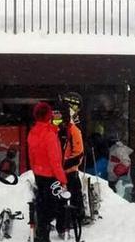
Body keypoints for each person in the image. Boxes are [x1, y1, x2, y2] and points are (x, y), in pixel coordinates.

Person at [28, 102, 67, 242]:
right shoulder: (50, 134)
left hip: (39, 174)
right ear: (48, 116)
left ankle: (41, 233)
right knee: (56, 205)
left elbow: (31, 157)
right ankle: (51, 231)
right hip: (51, 175)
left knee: (42, 205)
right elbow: (55, 160)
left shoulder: (32, 133)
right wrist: (62, 179)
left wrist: (35, 171)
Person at [56, 92, 84, 237]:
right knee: (62, 201)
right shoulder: (57, 130)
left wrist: (63, 166)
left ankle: (72, 225)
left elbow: (78, 153)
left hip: (67, 171)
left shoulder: (73, 130)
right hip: (60, 172)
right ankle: (62, 227)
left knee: (72, 200)